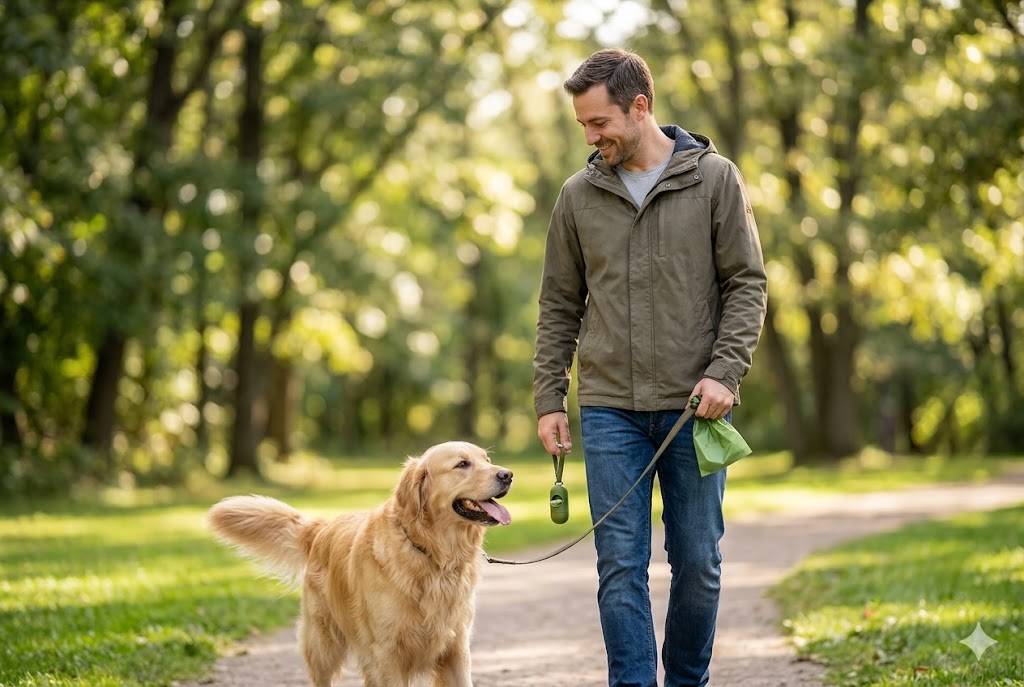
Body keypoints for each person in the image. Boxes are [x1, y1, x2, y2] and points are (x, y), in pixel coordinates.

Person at [533, 48, 768, 687]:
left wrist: (726, 372)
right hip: (609, 409)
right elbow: (558, 305)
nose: (590, 136)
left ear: (641, 107)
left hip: (695, 407)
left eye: (599, 121)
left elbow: (747, 284)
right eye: (582, 125)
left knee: (698, 563)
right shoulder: (577, 196)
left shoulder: (715, 179)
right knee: (619, 566)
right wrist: (550, 399)